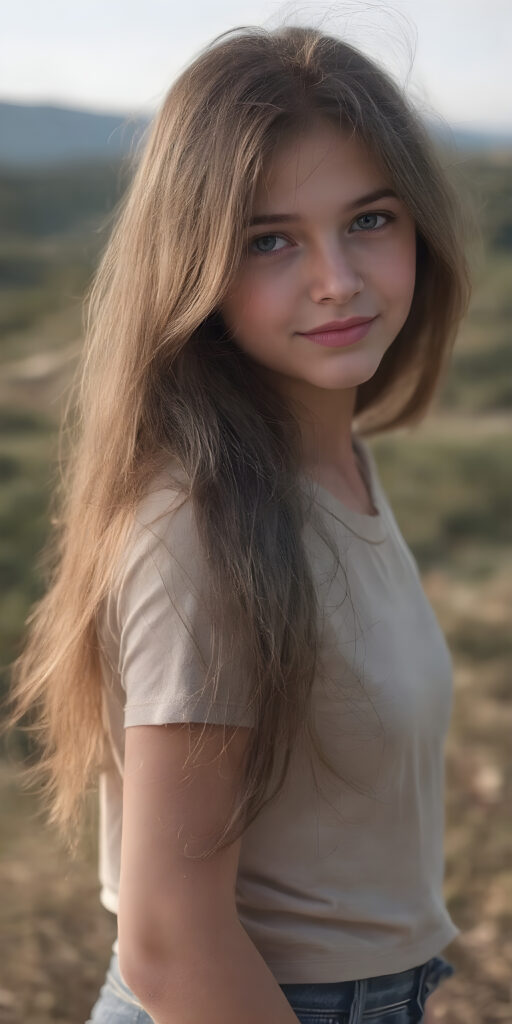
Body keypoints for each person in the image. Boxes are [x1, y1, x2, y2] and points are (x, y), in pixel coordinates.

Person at [3, 20, 476, 1024]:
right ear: (194, 268)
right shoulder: (204, 525)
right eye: (270, 240)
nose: (335, 280)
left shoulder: (333, 458)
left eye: (369, 220)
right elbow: (172, 946)